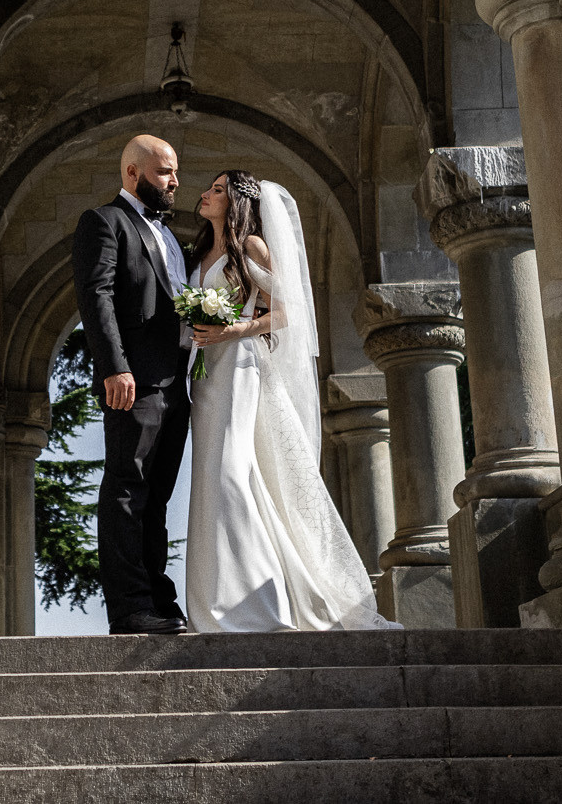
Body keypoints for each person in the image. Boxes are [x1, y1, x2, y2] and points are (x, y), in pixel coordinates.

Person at [183, 169, 394, 632]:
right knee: (210, 477)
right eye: (210, 188)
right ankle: (215, 599)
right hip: (204, 373)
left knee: (232, 471)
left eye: (217, 190)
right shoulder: (197, 253)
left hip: (238, 366)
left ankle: (259, 605)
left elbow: (286, 311)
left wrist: (235, 328)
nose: (205, 194)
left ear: (237, 202)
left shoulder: (252, 247)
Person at [70, 134, 191, 635]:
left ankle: (159, 598)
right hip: (134, 381)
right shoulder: (104, 222)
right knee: (127, 489)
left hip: (177, 383)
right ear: (132, 173)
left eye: (175, 171)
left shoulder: (172, 237)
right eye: (165, 171)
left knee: (158, 495)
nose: (175, 181)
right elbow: (95, 295)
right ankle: (129, 608)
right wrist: (114, 367)